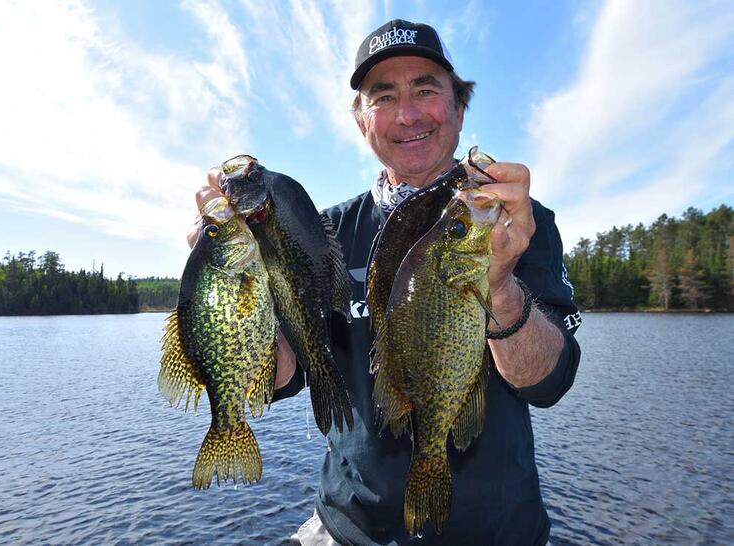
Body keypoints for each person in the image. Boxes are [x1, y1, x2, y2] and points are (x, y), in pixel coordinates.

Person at [190, 19, 581, 546]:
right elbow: (281, 377)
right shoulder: (318, 232)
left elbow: (548, 381)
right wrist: (231, 285)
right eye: (384, 96)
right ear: (361, 121)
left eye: (426, 89)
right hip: (348, 527)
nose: (409, 113)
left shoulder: (518, 221)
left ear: (460, 108)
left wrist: (503, 286)